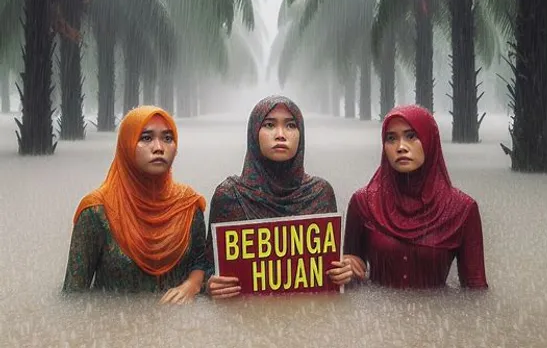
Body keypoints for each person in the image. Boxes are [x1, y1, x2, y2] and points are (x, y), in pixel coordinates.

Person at [205, 95, 353, 298]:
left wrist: (343, 272)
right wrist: (209, 285)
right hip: (247, 322)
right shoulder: (229, 196)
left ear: (301, 134)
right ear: (254, 133)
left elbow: (330, 267)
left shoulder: (320, 193)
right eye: (269, 125)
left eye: (291, 125)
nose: (281, 134)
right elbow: (206, 267)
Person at [63, 105, 208, 304]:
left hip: (176, 329)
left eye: (167, 138)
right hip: (115, 327)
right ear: (126, 144)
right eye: (146, 138)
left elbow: (201, 261)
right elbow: (74, 296)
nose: (159, 147)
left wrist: (192, 285)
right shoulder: (96, 211)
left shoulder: (188, 206)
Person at [342, 105, 488, 289]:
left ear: (429, 140)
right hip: (378, 315)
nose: (401, 147)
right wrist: (346, 270)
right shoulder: (363, 203)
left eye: (411, 136)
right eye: (391, 138)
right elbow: (351, 279)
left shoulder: (462, 209)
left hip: (438, 315)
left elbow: (475, 291)